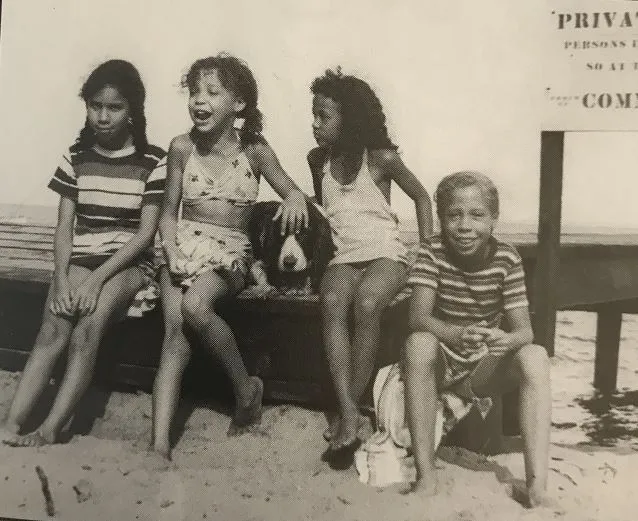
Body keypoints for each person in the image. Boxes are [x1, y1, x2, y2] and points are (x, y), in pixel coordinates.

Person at [0, 60, 167, 447]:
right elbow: (65, 227)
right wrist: (61, 277)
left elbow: (144, 236)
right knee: (53, 327)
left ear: (133, 111)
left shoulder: (152, 160)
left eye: (115, 107)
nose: (103, 116)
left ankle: (51, 428)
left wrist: (95, 280)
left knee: (88, 328)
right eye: (95, 106)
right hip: (82, 259)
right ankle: (12, 423)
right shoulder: (76, 156)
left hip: (127, 262)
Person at [151, 54, 308, 460]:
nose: (199, 101)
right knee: (174, 339)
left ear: (238, 103)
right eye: (193, 92)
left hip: (230, 253)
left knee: (197, 307)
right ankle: (159, 445)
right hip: (182, 245)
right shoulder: (181, 148)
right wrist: (169, 247)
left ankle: (245, 387)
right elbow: (168, 213)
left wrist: (292, 198)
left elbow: (292, 190)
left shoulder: (254, 150)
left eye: (212, 92)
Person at [307, 68, 433, 469]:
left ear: (350, 119)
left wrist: (426, 253)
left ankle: (348, 411)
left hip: (385, 252)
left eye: (323, 116)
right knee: (331, 300)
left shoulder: (381, 159)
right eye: (314, 115)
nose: (315, 124)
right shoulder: (317, 161)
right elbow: (329, 214)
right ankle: (351, 411)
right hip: (345, 253)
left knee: (367, 302)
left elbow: (422, 198)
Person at [404, 171, 551, 507]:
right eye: (454, 215)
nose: (465, 226)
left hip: (482, 369)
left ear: (494, 220)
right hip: (440, 360)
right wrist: (455, 334)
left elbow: (524, 332)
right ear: (441, 220)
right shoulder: (432, 251)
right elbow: (417, 318)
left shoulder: (507, 258)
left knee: (535, 356)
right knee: (419, 343)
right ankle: (426, 477)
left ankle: (537, 486)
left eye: (477, 215)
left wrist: (505, 339)